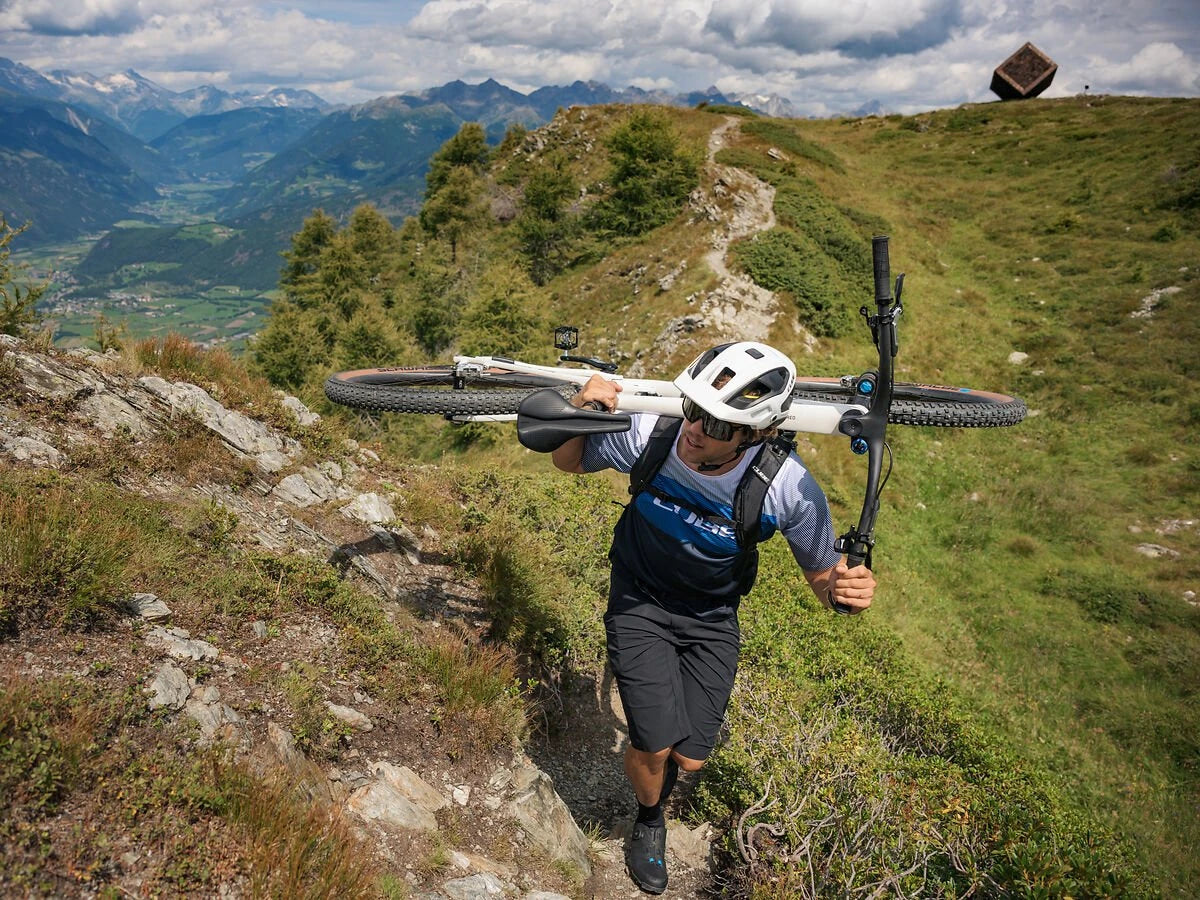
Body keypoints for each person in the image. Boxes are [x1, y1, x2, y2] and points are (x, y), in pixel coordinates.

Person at [550, 341, 876, 895]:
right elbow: (569, 459)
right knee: (652, 745)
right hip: (640, 601)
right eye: (692, 409)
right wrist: (586, 410)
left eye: (718, 425)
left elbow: (823, 578)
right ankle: (649, 822)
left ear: (755, 435)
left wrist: (847, 588)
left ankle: (663, 776)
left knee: (692, 757)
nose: (696, 429)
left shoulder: (788, 488)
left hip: (712, 618)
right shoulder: (653, 433)